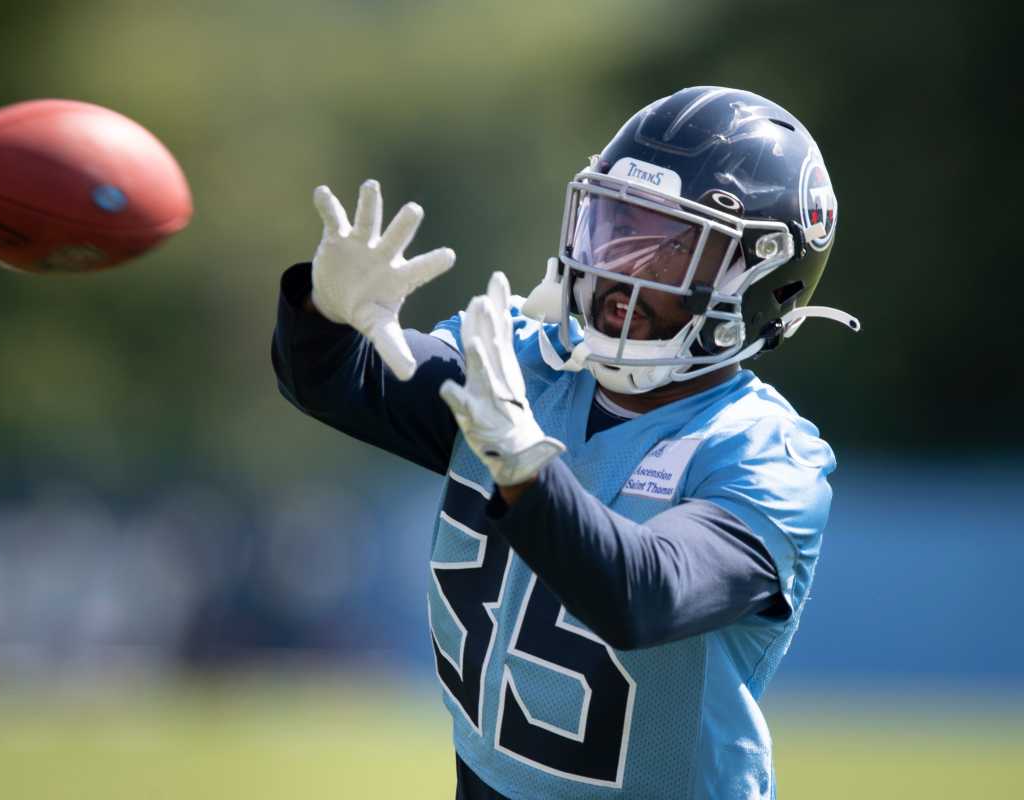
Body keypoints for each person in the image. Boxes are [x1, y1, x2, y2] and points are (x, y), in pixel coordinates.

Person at [271, 86, 859, 799]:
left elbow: (640, 594)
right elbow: (336, 384)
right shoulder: (529, 366)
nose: (621, 270)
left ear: (761, 280)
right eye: (617, 227)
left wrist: (523, 461)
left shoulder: (764, 455)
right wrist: (324, 311)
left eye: (671, 249)